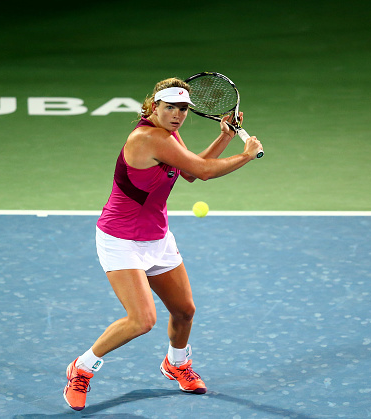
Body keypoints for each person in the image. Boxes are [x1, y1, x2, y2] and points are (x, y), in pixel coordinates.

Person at [63, 77, 263, 411]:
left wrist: (225, 136)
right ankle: (81, 368)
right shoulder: (148, 138)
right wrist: (246, 154)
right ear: (154, 106)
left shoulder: (168, 135)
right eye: (170, 107)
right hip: (121, 240)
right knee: (141, 320)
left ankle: (177, 363)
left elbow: (189, 172)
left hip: (157, 237)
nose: (177, 115)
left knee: (184, 310)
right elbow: (204, 171)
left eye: (183, 109)